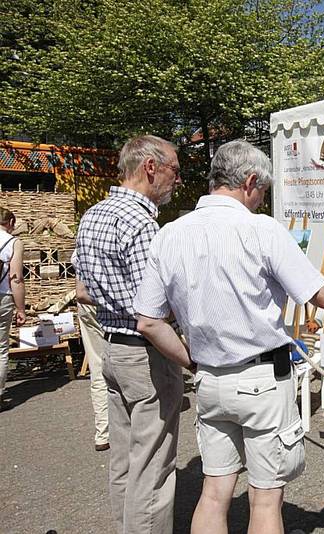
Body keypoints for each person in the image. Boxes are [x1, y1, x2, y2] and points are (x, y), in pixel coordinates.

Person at [134, 140, 324, 534]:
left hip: (209, 380)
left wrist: (192, 361)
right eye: (263, 191)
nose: (262, 200)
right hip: (261, 381)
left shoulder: (169, 234)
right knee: (265, 497)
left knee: (214, 493)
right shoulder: (261, 230)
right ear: (250, 180)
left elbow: (148, 321)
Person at [74, 134, 187, 534]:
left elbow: (82, 289)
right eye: (175, 169)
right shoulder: (140, 223)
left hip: (113, 349)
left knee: (124, 458)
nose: (179, 178)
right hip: (145, 354)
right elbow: (151, 312)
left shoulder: (93, 215)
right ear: (150, 168)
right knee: (152, 468)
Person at [0, 208, 26, 409]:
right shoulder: (13, 242)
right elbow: (15, 278)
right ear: (9, 222)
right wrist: (21, 309)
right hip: (3, 297)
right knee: (0, 349)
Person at [77, 301, 110, 451]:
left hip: (87, 302)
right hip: (112, 302)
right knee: (127, 362)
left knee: (97, 369)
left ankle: (103, 434)